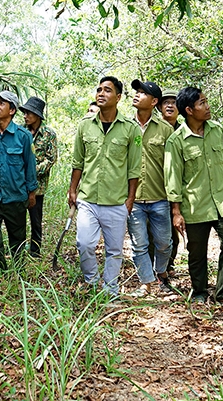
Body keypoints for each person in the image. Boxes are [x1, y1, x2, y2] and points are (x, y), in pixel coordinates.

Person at [165, 87, 223, 307]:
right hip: (195, 205)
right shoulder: (176, 141)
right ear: (189, 110)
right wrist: (176, 211)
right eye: (202, 103)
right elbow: (173, 179)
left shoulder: (217, 131)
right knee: (196, 252)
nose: (207, 106)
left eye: (206, 101)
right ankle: (199, 290)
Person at [68, 76, 141, 297]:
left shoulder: (131, 129)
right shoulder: (84, 126)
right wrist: (72, 189)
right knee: (85, 244)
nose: (101, 93)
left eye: (107, 90)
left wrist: (130, 199)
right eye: (99, 89)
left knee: (114, 251)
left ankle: (110, 289)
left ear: (118, 97)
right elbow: (77, 162)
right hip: (88, 198)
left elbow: (134, 168)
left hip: (116, 201)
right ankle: (91, 282)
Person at [0, 90, 38, 273]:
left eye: (1, 103)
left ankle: (18, 273)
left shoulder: (23, 136)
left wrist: (31, 192)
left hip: (16, 196)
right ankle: (0, 271)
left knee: (17, 239)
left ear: (12, 110)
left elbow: (30, 167)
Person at [126, 80, 175, 297]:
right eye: (136, 92)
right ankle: (145, 283)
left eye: (142, 93)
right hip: (133, 200)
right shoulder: (125, 127)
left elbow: (173, 166)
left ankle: (161, 272)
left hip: (160, 198)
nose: (137, 95)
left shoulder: (165, 130)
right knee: (139, 244)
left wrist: (175, 201)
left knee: (164, 243)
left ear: (154, 101)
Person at [19, 96, 58, 258]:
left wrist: (32, 170)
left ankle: (35, 252)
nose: (25, 116)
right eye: (25, 113)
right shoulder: (20, 131)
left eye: (29, 113)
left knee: (36, 220)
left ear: (37, 115)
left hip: (38, 186)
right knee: (18, 220)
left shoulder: (49, 134)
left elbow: (51, 158)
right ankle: (18, 250)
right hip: (19, 184)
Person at [156, 89, 181, 278]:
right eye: (166, 102)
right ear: (159, 106)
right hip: (155, 188)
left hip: (178, 189)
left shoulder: (185, 130)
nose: (170, 105)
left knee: (173, 232)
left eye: (174, 102)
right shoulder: (152, 128)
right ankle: (151, 268)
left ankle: (168, 265)